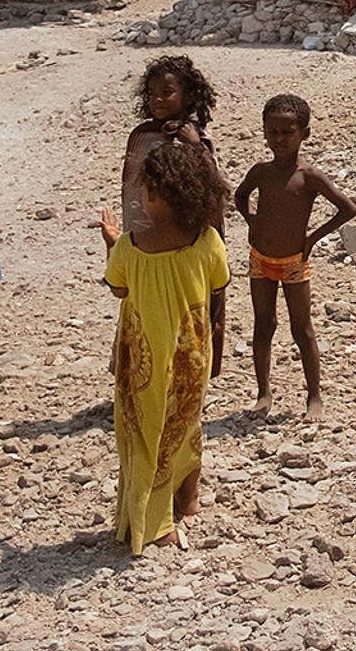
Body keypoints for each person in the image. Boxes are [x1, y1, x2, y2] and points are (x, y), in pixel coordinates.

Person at [99, 139, 230, 555]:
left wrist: (111, 241)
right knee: (184, 427)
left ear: (153, 192)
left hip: (142, 359)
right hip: (189, 357)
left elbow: (119, 289)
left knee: (142, 435)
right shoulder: (206, 239)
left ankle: (153, 523)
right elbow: (217, 285)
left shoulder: (131, 246)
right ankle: (187, 501)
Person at [234, 95, 356, 419]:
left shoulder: (309, 177)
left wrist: (312, 239)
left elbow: (347, 209)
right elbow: (240, 195)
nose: (279, 139)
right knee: (264, 325)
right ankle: (263, 393)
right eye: (272, 132)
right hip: (260, 258)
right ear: (264, 132)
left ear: (305, 133)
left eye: (287, 132)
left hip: (293, 262)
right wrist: (252, 221)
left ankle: (313, 396)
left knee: (301, 328)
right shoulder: (260, 172)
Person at [124, 56, 227, 376]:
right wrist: (131, 238)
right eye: (152, 93)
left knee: (194, 307)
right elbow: (130, 188)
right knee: (146, 307)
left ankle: (192, 373)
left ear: (189, 96)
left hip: (191, 240)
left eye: (167, 92)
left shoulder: (196, 137)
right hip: (149, 240)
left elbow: (215, 191)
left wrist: (195, 147)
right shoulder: (140, 136)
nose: (158, 99)